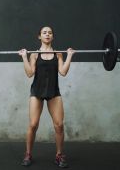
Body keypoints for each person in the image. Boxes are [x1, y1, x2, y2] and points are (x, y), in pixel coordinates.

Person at [18, 26, 74, 168]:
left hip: (53, 92)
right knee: (33, 124)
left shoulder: (58, 54)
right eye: (44, 33)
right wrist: (24, 57)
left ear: (52, 37)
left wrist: (70, 56)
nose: (47, 34)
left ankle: (59, 155)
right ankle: (28, 154)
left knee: (59, 125)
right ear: (39, 36)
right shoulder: (34, 55)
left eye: (50, 33)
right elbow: (30, 73)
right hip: (37, 92)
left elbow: (63, 72)